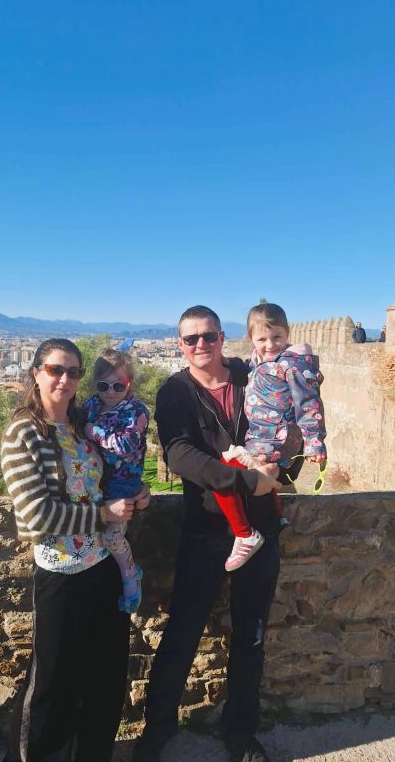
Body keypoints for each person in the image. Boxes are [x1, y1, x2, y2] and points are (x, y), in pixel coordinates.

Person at [133, 306, 282, 762]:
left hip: (262, 524)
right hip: (206, 528)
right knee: (183, 630)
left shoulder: (250, 373)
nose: (200, 345)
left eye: (209, 337)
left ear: (223, 338)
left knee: (251, 633)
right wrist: (242, 481)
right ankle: (157, 729)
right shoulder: (175, 392)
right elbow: (179, 454)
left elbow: (286, 413)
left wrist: (286, 458)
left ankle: (240, 734)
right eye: (190, 339)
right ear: (180, 344)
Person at [1, 338, 149, 762]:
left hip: (102, 565)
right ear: (37, 373)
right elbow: (36, 516)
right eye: (55, 370)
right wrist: (104, 514)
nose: (65, 379)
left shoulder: (85, 422)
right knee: (51, 683)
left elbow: (112, 476)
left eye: (74, 372)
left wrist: (138, 493)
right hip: (60, 574)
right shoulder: (24, 432)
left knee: (105, 678)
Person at [213, 303, 327, 572]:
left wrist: (315, 442)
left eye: (277, 337)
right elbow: (250, 366)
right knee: (259, 476)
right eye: (262, 339)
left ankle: (244, 534)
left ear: (287, 334)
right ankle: (275, 518)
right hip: (261, 438)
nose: (270, 344)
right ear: (251, 339)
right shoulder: (260, 361)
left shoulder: (292, 365)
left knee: (223, 474)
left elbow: (309, 404)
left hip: (276, 440)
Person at [83, 348, 150, 613]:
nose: (110, 391)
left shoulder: (135, 411)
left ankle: (130, 572)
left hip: (124, 481)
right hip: (95, 478)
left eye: (118, 385)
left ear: (129, 384)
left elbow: (126, 445)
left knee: (111, 536)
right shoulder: (92, 404)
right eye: (103, 385)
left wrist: (95, 432)